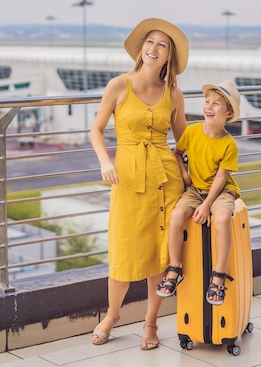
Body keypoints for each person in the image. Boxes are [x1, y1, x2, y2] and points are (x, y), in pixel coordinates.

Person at [89, 18, 189, 350]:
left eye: (162, 45)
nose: (153, 48)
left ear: (168, 57)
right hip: (128, 181)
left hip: (166, 182)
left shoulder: (174, 94)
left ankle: (150, 323)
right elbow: (96, 130)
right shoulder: (119, 85)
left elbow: (184, 141)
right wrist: (105, 161)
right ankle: (111, 316)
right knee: (123, 251)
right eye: (150, 41)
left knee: (158, 257)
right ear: (141, 47)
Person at [156, 80, 241, 306]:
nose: (209, 107)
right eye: (207, 102)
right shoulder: (192, 132)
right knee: (176, 216)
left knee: (221, 218)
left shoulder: (229, 144)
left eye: (217, 104)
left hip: (221, 191)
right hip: (195, 188)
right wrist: (185, 175)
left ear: (229, 113)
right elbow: (177, 153)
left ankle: (218, 276)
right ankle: (175, 269)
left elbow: (221, 178)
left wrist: (206, 205)